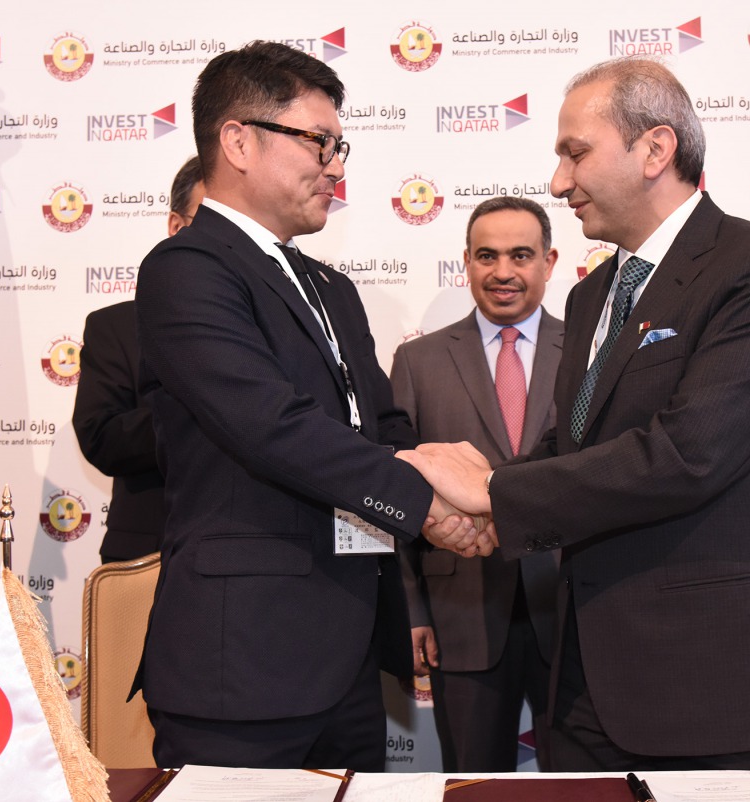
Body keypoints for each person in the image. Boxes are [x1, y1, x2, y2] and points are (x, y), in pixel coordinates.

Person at [399, 57, 750, 772]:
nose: (558, 181)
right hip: (585, 681)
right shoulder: (595, 293)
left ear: (655, 149)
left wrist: (495, 493)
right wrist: (485, 503)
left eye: (575, 152)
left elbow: (691, 453)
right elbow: (572, 448)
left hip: (711, 683)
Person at [131, 41, 487, 772]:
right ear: (237, 140)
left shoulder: (332, 289)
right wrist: (428, 500)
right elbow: (271, 427)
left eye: (339, 144)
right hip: (244, 664)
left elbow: (381, 428)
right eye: (318, 142)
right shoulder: (187, 270)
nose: (337, 165)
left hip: (354, 653)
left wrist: (438, 488)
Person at [390, 196, 562, 772]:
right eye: (486, 256)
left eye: (521, 255)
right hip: (459, 608)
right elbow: (397, 494)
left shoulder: (592, 354)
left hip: (571, 610)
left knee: (583, 783)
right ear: (465, 261)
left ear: (549, 261)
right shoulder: (418, 361)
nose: (503, 272)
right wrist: (411, 607)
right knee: (471, 781)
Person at [72, 155, 204, 564]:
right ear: (177, 227)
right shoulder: (115, 328)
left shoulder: (275, 323)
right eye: (212, 222)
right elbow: (100, 437)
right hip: (148, 558)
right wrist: (201, 407)